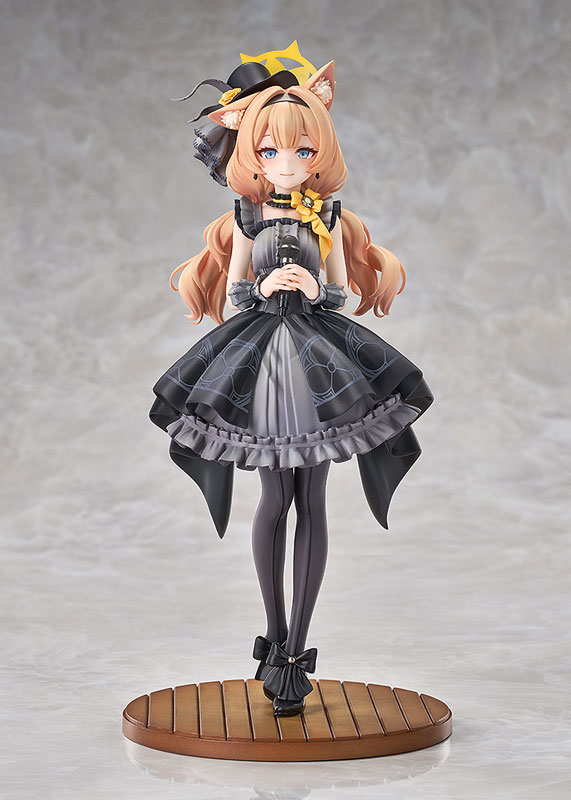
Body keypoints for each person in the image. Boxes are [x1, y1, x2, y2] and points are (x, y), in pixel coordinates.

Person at [149, 50, 433, 717]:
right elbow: (235, 292)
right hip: (266, 361)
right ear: (250, 152)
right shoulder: (244, 220)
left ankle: (297, 649)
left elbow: (338, 291)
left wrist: (313, 287)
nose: (286, 163)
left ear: (319, 153)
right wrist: (262, 288)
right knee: (274, 498)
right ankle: (273, 637)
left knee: (314, 500)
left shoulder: (328, 218)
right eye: (270, 151)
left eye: (301, 151)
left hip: (316, 361)